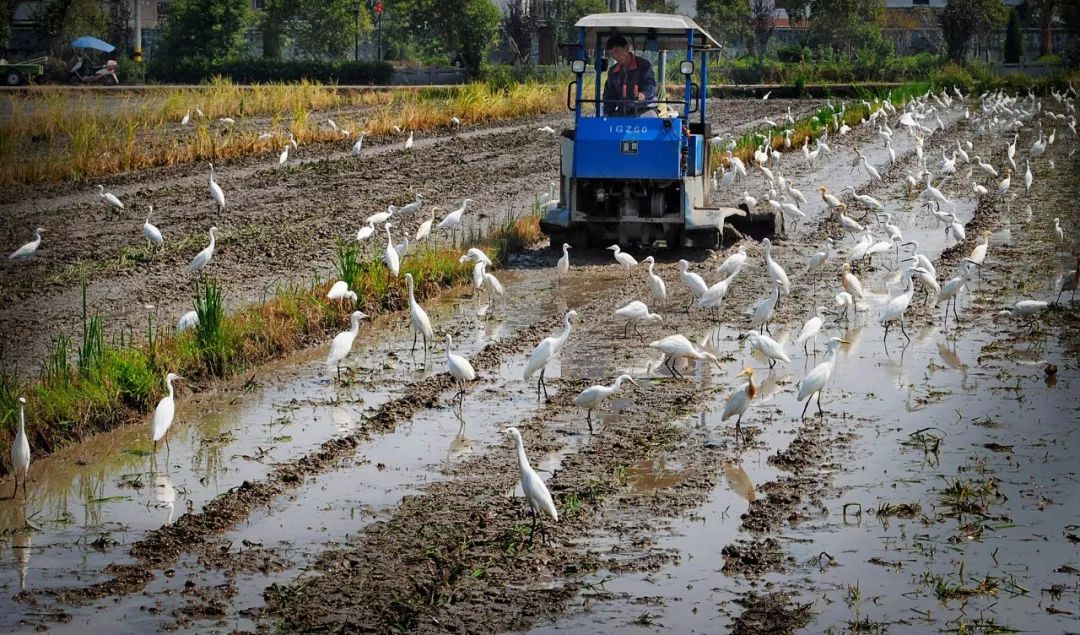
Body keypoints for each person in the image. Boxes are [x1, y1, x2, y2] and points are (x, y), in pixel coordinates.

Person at [601, 34, 658, 117]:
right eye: (612, 54)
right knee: (606, 123)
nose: (615, 56)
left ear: (626, 48)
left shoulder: (643, 65)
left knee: (649, 119)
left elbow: (650, 84)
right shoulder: (612, 71)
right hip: (623, 111)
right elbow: (609, 95)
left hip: (644, 109)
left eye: (617, 51)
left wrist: (643, 94)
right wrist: (607, 114)